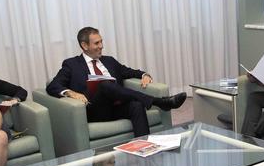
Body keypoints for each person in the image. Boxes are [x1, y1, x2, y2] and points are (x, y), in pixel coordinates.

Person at [46, 27, 187, 137]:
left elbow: (130, 71)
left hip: (116, 109)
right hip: (94, 111)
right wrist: (70, 93)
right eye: (97, 43)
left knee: (136, 105)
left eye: (101, 41)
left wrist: (144, 74)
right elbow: (53, 86)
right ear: (84, 45)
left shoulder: (109, 61)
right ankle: (159, 102)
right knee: (104, 84)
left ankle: (145, 151)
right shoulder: (72, 64)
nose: (101, 46)